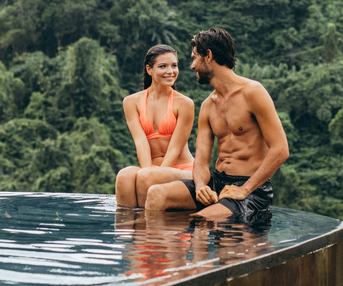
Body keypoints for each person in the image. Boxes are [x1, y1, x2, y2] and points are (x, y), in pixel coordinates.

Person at [145, 28, 289, 220]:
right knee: (156, 194)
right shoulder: (208, 105)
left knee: (202, 221)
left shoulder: (253, 92)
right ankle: (158, 250)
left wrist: (244, 190)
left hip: (251, 189)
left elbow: (280, 149)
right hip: (217, 183)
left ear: (209, 56)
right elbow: (202, 161)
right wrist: (201, 186)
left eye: (195, 58)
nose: (192, 66)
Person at [114, 44, 195, 207]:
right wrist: (147, 171)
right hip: (151, 169)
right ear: (149, 70)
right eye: (163, 66)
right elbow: (140, 141)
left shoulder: (184, 103)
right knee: (124, 176)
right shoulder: (131, 102)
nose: (170, 71)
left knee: (147, 176)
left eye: (174, 65)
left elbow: (175, 148)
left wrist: (153, 174)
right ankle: (131, 229)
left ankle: (146, 225)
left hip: (182, 169)